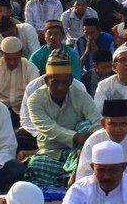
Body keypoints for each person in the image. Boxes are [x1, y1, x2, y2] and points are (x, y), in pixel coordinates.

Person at [27, 49, 101, 183]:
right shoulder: (35, 99)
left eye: (65, 82)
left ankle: (75, 170)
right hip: (51, 151)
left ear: (71, 80)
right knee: (35, 166)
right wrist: (74, 137)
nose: (60, 87)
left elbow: (98, 120)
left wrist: (88, 139)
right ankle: (74, 173)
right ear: (46, 80)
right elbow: (48, 128)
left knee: (86, 126)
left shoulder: (80, 95)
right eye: (55, 82)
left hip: (78, 150)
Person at [0, 35, 39, 125]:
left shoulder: (30, 68)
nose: (12, 62)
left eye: (15, 58)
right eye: (8, 59)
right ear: (1, 53)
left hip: (24, 111)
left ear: (21, 53)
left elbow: (34, 95)